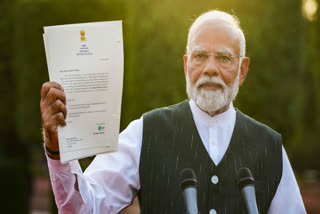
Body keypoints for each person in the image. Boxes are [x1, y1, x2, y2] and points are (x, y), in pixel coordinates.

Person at [40, 10, 306, 214]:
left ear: (243, 70)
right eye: (200, 56)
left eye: (224, 58)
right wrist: (56, 148)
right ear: (186, 64)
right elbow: (84, 208)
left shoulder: (270, 147)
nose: (210, 68)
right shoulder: (146, 132)